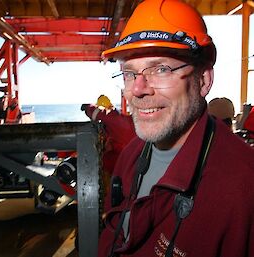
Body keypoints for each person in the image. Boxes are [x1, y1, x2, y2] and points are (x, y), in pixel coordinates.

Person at [97, 1, 254, 257]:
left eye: (160, 69)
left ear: (203, 80)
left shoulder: (243, 189)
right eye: (129, 73)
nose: (138, 90)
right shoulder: (131, 156)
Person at [81, 95, 136, 194]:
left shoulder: (117, 120)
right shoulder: (134, 124)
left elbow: (99, 114)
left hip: (118, 170)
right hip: (129, 171)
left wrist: (87, 107)